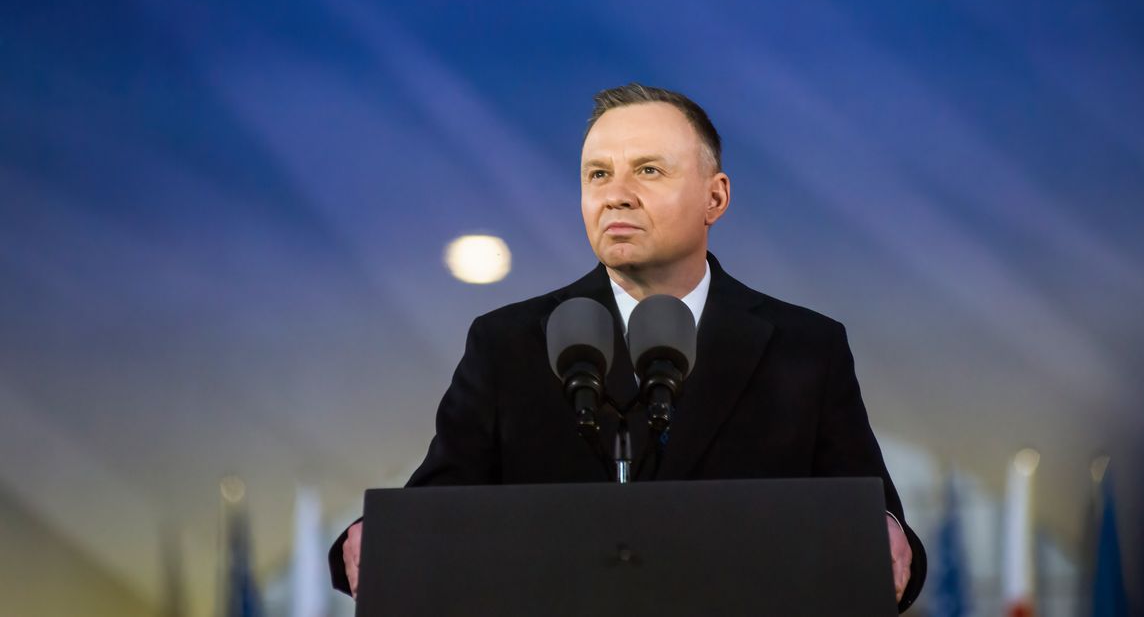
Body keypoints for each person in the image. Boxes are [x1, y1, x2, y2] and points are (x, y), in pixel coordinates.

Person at [329, 83, 927, 611]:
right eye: (597, 174)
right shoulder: (509, 343)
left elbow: (872, 519)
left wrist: (887, 534)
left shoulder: (805, 346)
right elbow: (434, 511)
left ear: (715, 198)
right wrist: (369, 540)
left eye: (648, 170)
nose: (615, 195)